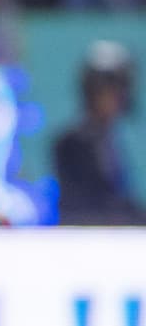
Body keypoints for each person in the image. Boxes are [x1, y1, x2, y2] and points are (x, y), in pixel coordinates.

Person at [53, 40, 145, 225]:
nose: (118, 97)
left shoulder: (109, 138)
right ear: (92, 92)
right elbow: (88, 209)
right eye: (112, 90)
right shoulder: (72, 143)